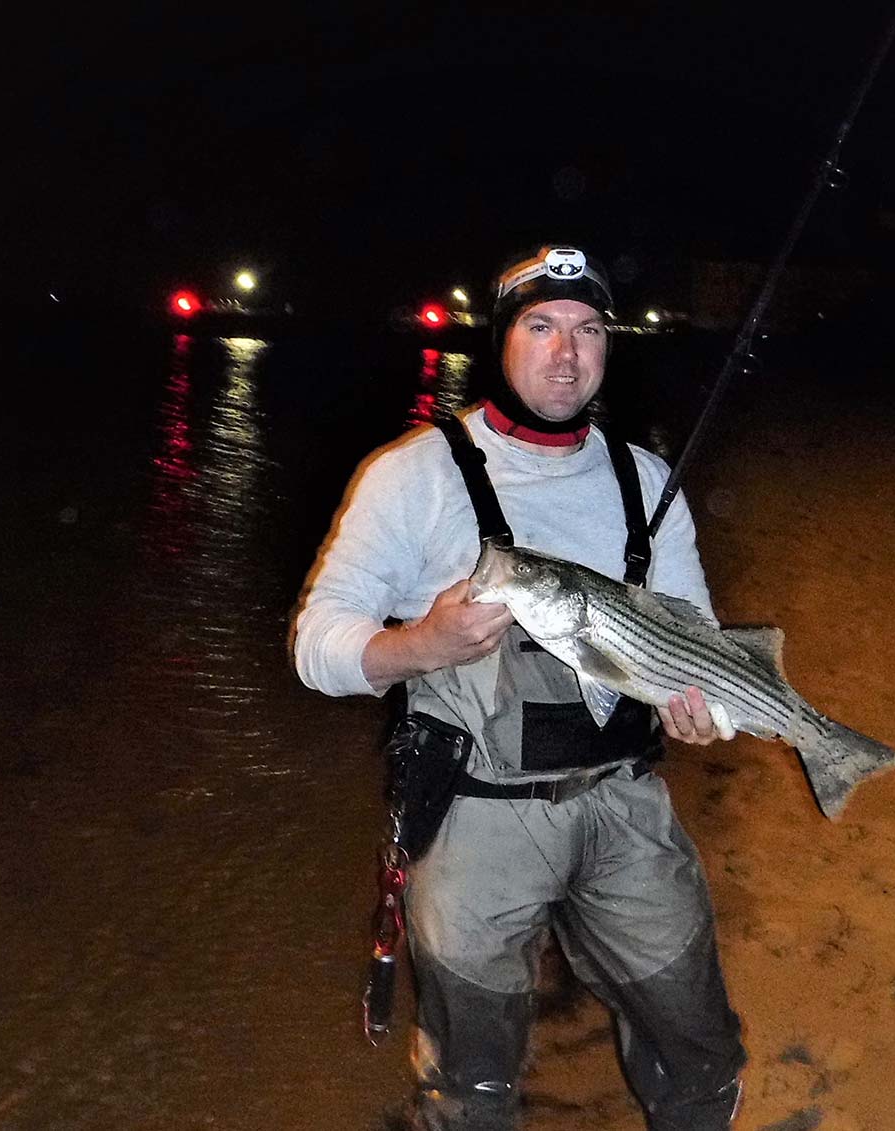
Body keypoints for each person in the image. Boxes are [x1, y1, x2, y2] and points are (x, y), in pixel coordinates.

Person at [292, 244, 746, 1130]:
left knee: (698, 1042)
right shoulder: (413, 474)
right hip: (473, 819)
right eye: (540, 326)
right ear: (502, 341)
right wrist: (420, 642)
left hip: (625, 806)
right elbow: (316, 646)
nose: (565, 353)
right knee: (472, 1080)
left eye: (586, 330)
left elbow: (694, 637)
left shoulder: (646, 479)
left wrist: (703, 711)